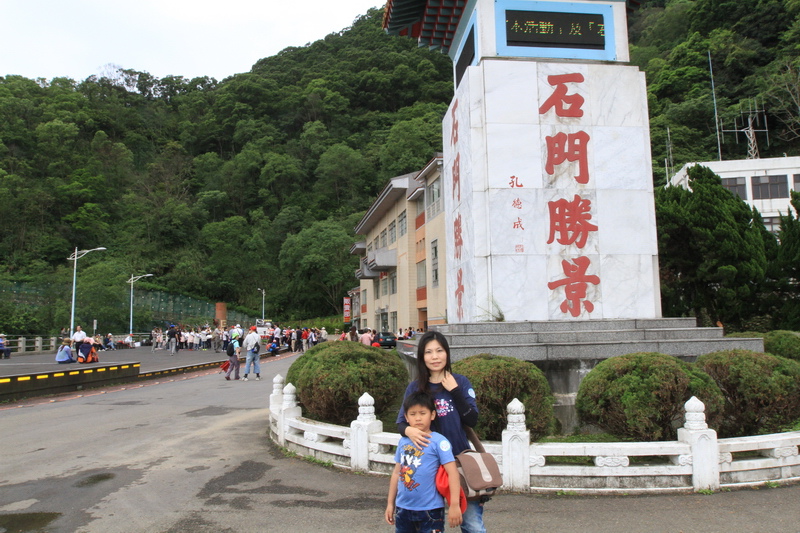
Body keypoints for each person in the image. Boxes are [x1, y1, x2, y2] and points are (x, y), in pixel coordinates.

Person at [396, 330, 483, 533]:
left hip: (459, 465)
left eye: (439, 351)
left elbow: (472, 420)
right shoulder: (415, 388)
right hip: (426, 469)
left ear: (447, 353)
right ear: (422, 356)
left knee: (472, 525)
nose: (435, 357)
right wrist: (409, 431)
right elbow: (401, 423)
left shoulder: (460, 382)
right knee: (427, 526)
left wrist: (455, 391)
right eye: (428, 352)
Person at [385, 390, 463, 532]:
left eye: (422, 413)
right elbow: (396, 473)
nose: (418, 418)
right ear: (406, 417)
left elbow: (453, 473)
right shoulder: (403, 442)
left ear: (432, 415)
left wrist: (454, 505)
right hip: (403, 509)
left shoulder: (439, 442)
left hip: (431, 510)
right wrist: (390, 504)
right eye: (412, 414)